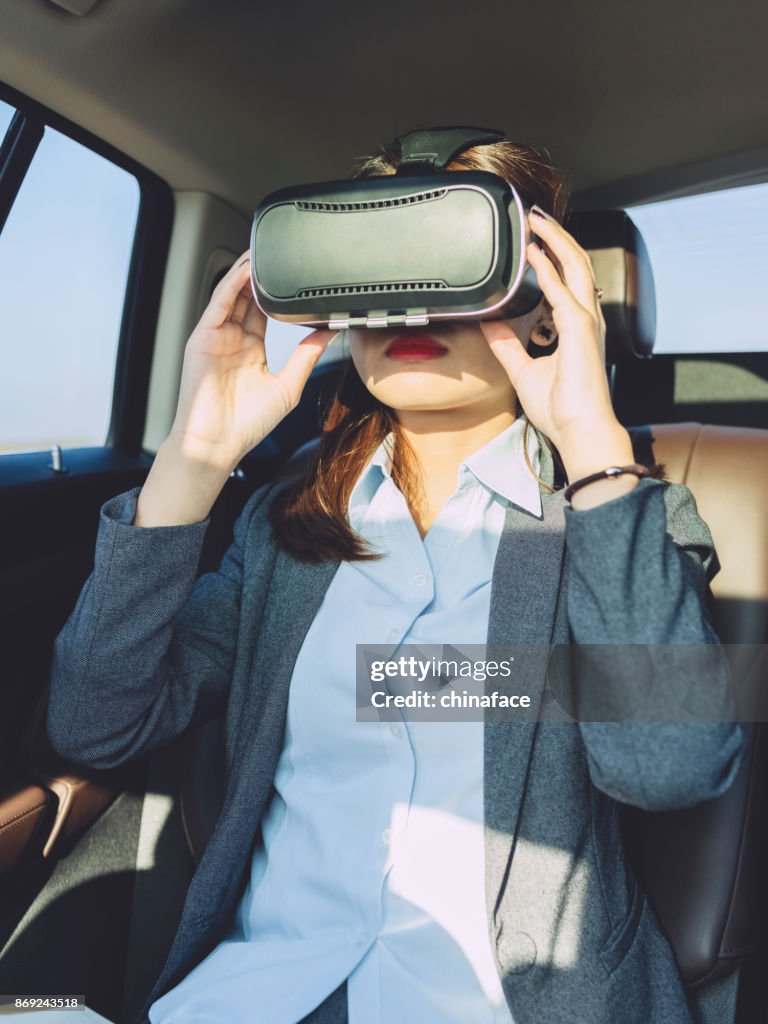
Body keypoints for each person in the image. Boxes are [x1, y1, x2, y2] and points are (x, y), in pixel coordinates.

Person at [43, 129, 745, 1024]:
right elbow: (94, 725)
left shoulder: (623, 521)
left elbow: (670, 767)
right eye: (382, 270)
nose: (410, 309)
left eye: (454, 263)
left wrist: (592, 446)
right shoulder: (283, 527)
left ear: (545, 305)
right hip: (259, 993)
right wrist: (197, 458)